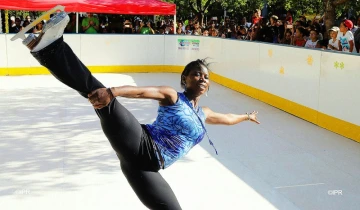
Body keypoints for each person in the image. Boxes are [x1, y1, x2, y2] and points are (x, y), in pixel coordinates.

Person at [17, 11, 260, 210]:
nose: (202, 79)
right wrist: (114, 91)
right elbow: (144, 91)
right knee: (99, 95)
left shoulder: (204, 113)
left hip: (147, 167)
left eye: (206, 77)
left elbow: (227, 118)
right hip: (140, 143)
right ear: (185, 79)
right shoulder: (172, 95)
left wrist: (247, 117)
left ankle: (44, 48)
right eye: (196, 74)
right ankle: (49, 47)